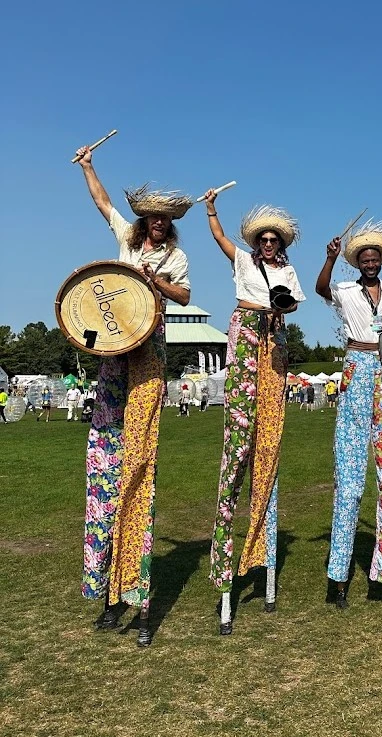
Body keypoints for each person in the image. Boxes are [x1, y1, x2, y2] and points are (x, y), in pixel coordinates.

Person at [75, 143, 192, 646]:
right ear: (144, 219)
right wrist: (88, 167)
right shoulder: (127, 235)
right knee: (106, 467)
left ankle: (138, 598)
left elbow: (186, 296)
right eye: (152, 217)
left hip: (149, 352)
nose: (158, 223)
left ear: (170, 223)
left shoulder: (176, 255)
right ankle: (109, 593)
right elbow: (103, 204)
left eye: (164, 218)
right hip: (114, 349)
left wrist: (157, 281)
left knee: (139, 468)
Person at [203, 191, 305, 635]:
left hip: (275, 338)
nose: (266, 243)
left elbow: (295, 303)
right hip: (246, 331)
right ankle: (228, 572)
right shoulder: (243, 261)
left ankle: (261, 553)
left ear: (280, 243)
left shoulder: (287, 270)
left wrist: (282, 304)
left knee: (271, 441)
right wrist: (211, 210)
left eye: (272, 239)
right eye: (262, 238)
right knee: (239, 436)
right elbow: (221, 238)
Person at [316, 220, 382, 609]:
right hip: (356, 366)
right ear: (357, 262)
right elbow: (321, 289)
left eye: (375, 257)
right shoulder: (346, 291)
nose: (370, 262)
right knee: (350, 479)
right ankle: (338, 575)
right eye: (364, 258)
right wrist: (329, 258)